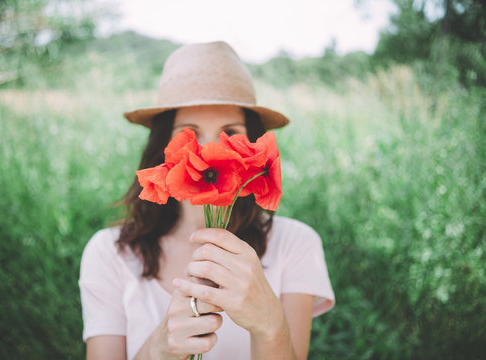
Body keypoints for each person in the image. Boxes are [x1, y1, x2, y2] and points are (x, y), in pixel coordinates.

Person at [79, 41, 335, 360]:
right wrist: (160, 348)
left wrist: (270, 324)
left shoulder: (296, 244)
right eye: (190, 132)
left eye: (230, 132)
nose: (212, 149)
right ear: (163, 145)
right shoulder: (109, 253)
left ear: (255, 145)